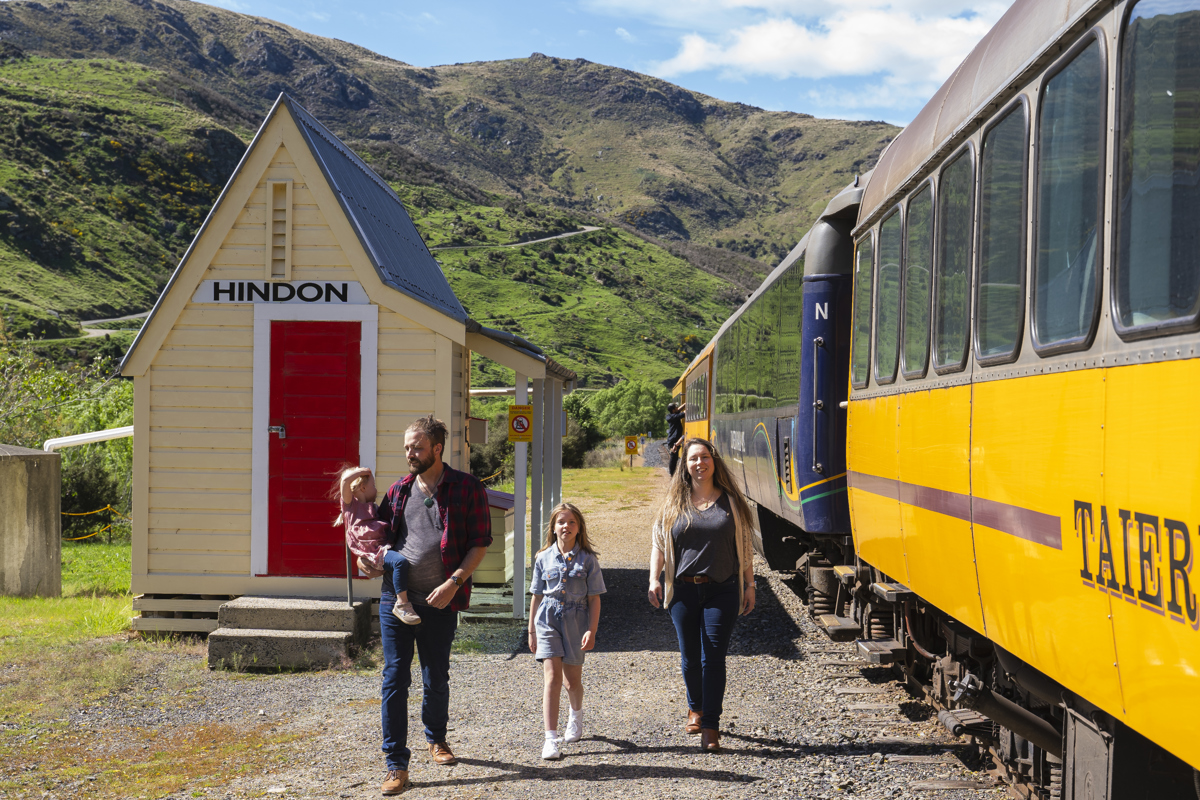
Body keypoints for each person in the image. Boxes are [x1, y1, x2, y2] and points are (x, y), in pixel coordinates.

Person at [357, 415, 493, 796]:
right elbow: (376, 543)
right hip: (396, 601)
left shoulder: (467, 488)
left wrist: (454, 583)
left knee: (436, 676)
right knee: (394, 677)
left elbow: (479, 542)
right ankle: (396, 764)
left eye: (416, 447)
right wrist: (364, 562)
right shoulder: (399, 491)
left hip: (440, 601)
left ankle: (437, 738)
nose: (409, 454)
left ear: (437, 448)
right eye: (406, 447)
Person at [647, 437, 756, 753]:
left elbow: (745, 547)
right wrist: (654, 579)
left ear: (714, 461)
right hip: (682, 591)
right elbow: (658, 544)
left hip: (721, 590)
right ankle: (694, 707)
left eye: (704, 457)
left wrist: (749, 586)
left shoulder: (732, 504)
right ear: (686, 465)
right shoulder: (673, 504)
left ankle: (710, 724)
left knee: (714, 658)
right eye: (693, 458)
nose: (699, 463)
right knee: (690, 657)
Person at [527, 502, 605, 761]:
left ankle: (576, 715)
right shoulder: (542, 557)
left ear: (579, 527)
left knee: (572, 681)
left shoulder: (588, 560)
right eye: (561, 522)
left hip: (576, 620)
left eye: (572, 522)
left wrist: (591, 630)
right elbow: (536, 596)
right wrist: (532, 632)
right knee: (553, 679)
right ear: (553, 527)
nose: (566, 526)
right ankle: (550, 739)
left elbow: (595, 598)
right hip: (547, 620)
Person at [334, 466, 420, 625]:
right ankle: (402, 604)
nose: (376, 490)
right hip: (375, 553)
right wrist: (363, 471)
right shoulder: (351, 507)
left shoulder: (373, 509)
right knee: (400, 562)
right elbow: (345, 481)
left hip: (382, 550)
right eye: (373, 486)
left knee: (400, 562)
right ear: (363, 487)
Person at [665, 402, 685, 476]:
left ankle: (673, 473)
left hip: (674, 439)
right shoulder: (673, 417)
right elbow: (683, 413)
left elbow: (679, 409)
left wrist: (685, 404)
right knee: (673, 458)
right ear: (673, 410)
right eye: (676, 408)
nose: (677, 408)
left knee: (675, 457)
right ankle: (672, 473)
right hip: (673, 440)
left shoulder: (673, 415)